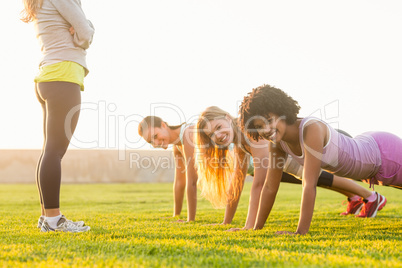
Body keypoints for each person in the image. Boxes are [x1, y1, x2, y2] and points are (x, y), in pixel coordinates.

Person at [239, 84, 401, 235]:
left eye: (269, 120)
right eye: (259, 127)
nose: (266, 130)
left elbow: (309, 184)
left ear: (281, 111)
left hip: (383, 154)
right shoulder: (277, 144)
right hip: (369, 165)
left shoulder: (311, 129)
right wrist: (256, 229)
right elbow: (269, 187)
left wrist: (300, 233)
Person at [195, 106, 384, 231]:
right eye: (212, 134)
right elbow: (237, 180)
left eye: (219, 127)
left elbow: (259, 183)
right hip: (297, 164)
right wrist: (226, 221)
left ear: (228, 118)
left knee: (330, 177)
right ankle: (360, 198)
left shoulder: (250, 132)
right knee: (321, 179)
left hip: (321, 148)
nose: (218, 135)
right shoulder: (238, 143)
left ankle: (372, 197)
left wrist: (249, 227)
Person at [21, 0, 95, 232]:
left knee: (49, 151)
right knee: (55, 151)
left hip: (48, 76)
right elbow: (86, 32)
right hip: (62, 76)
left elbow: (80, 30)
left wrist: (79, 31)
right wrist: (81, 32)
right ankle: (54, 220)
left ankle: (47, 218)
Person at [138, 116, 198, 222]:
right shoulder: (177, 146)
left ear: (163, 125)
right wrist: (176, 215)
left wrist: (190, 220)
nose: (156, 143)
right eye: (151, 142)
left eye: (155, 136)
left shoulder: (188, 134)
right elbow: (180, 181)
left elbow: (192, 181)